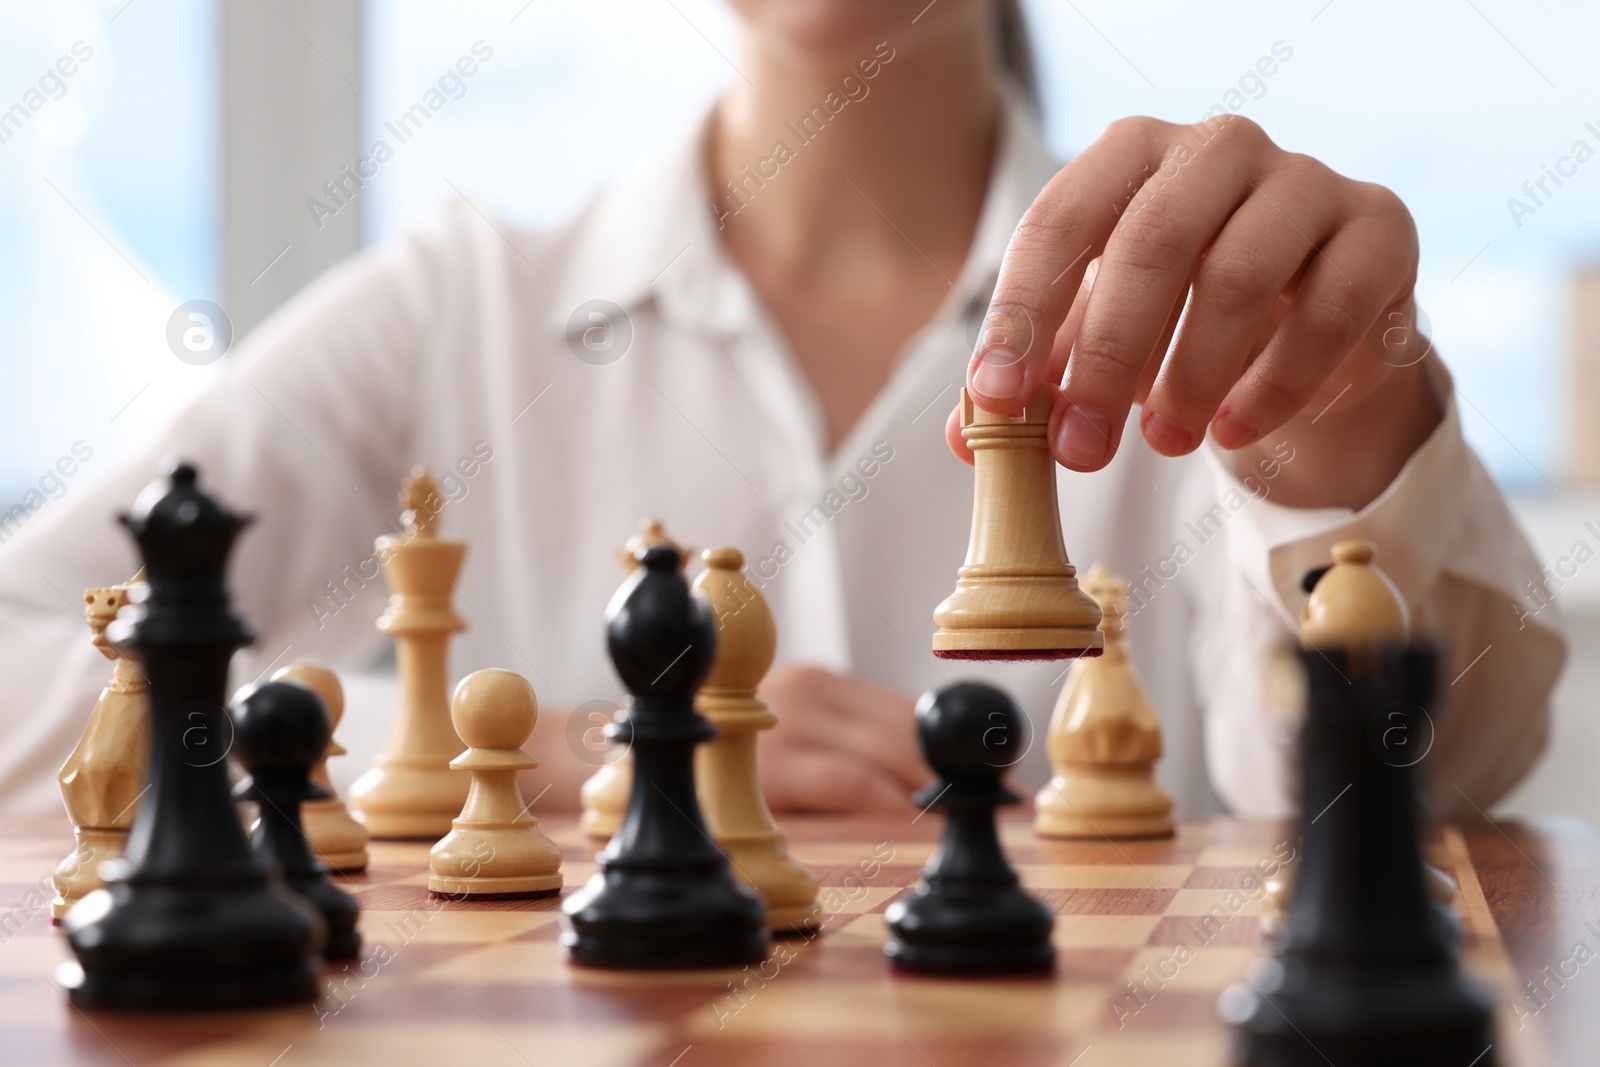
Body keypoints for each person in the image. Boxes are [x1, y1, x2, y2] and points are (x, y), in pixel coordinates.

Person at [0, 0, 1563, 819]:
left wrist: (1344, 425)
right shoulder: (449, 314)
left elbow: (1425, 789)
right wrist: (501, 755)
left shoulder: (1216, 323)